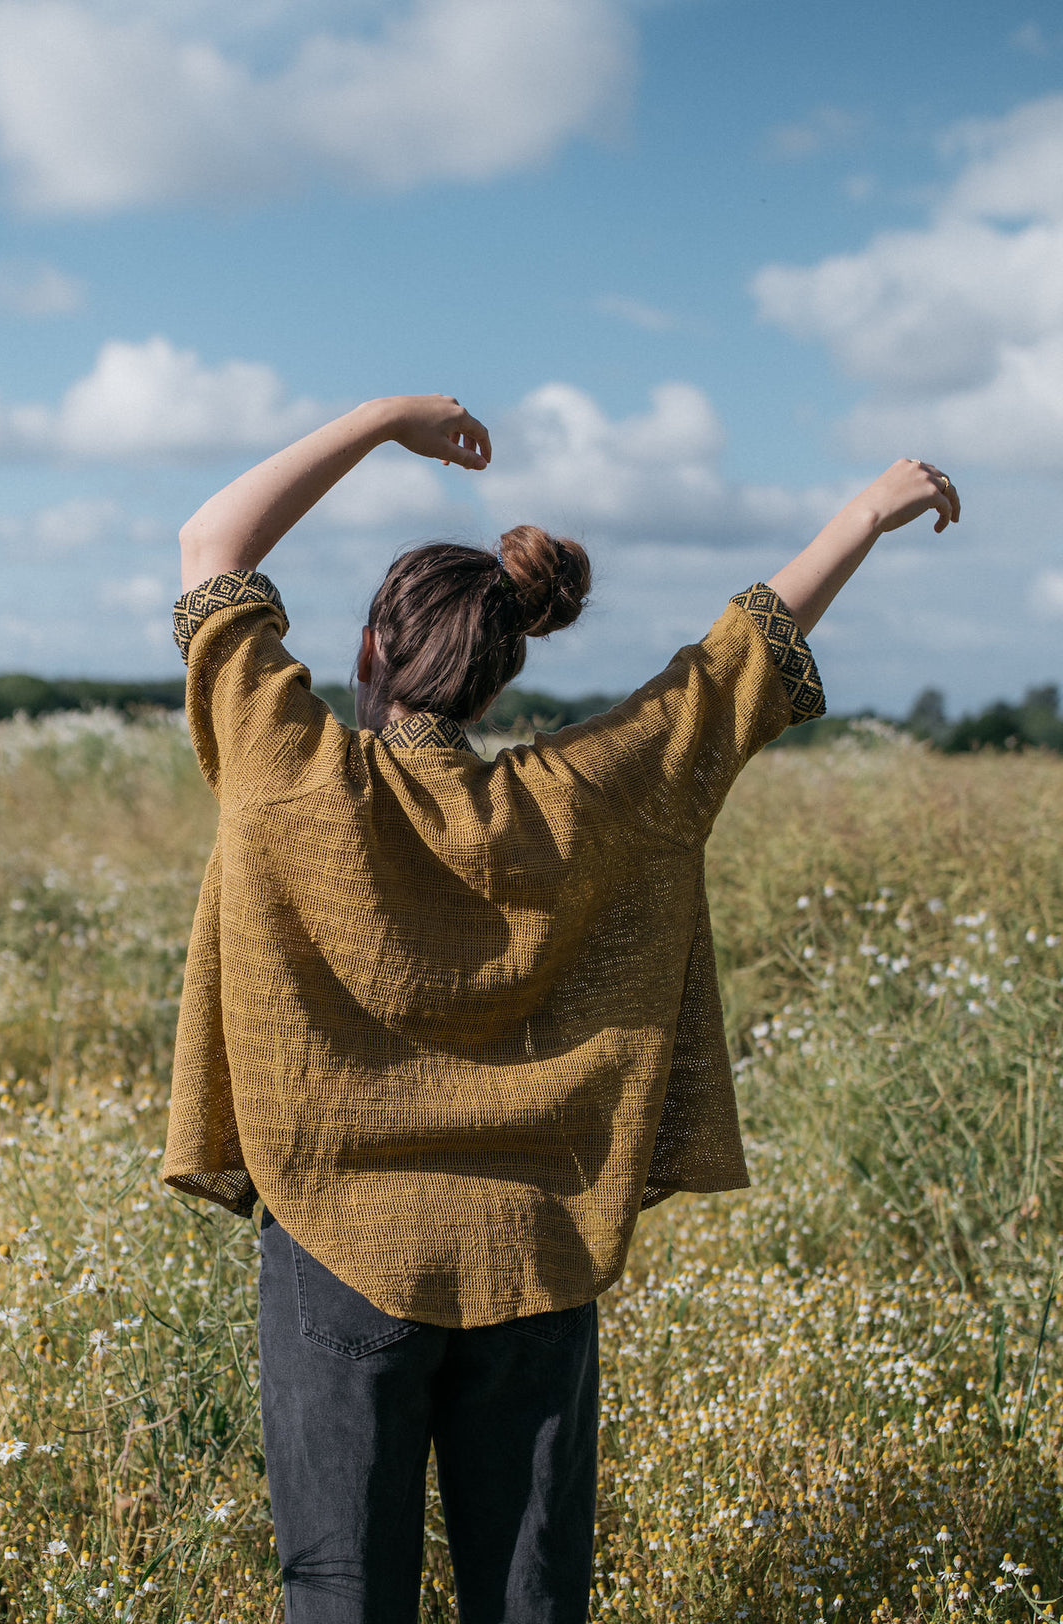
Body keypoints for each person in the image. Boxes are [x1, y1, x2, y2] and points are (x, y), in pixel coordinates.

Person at [162, 393, 959, 1624]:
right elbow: (731, 668)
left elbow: (213, 548)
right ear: (499, 670)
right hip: (537, 1255)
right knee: (531, 1601)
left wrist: (384, 424)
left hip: (333, 1250)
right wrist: (866, 510)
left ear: (371, 651)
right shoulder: (585, 800)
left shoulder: (290, 773)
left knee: (335, 1591)